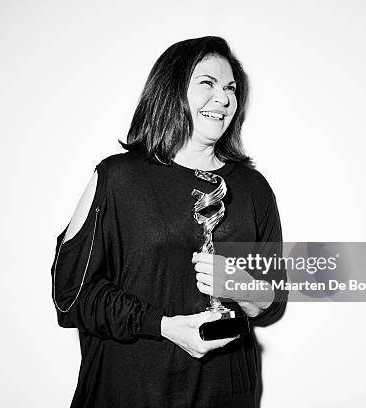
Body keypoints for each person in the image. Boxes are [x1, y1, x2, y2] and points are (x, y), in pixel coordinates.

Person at [51, 36, 288, 408]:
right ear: (172, 88)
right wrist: (163, 326)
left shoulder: (253, 188)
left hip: (225, 393)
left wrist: (244, 288)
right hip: (131, 388)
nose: (224, 98)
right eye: (207, 84)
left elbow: (273, 300)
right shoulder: (118, 177)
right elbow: (71, 294)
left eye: (230, 88)